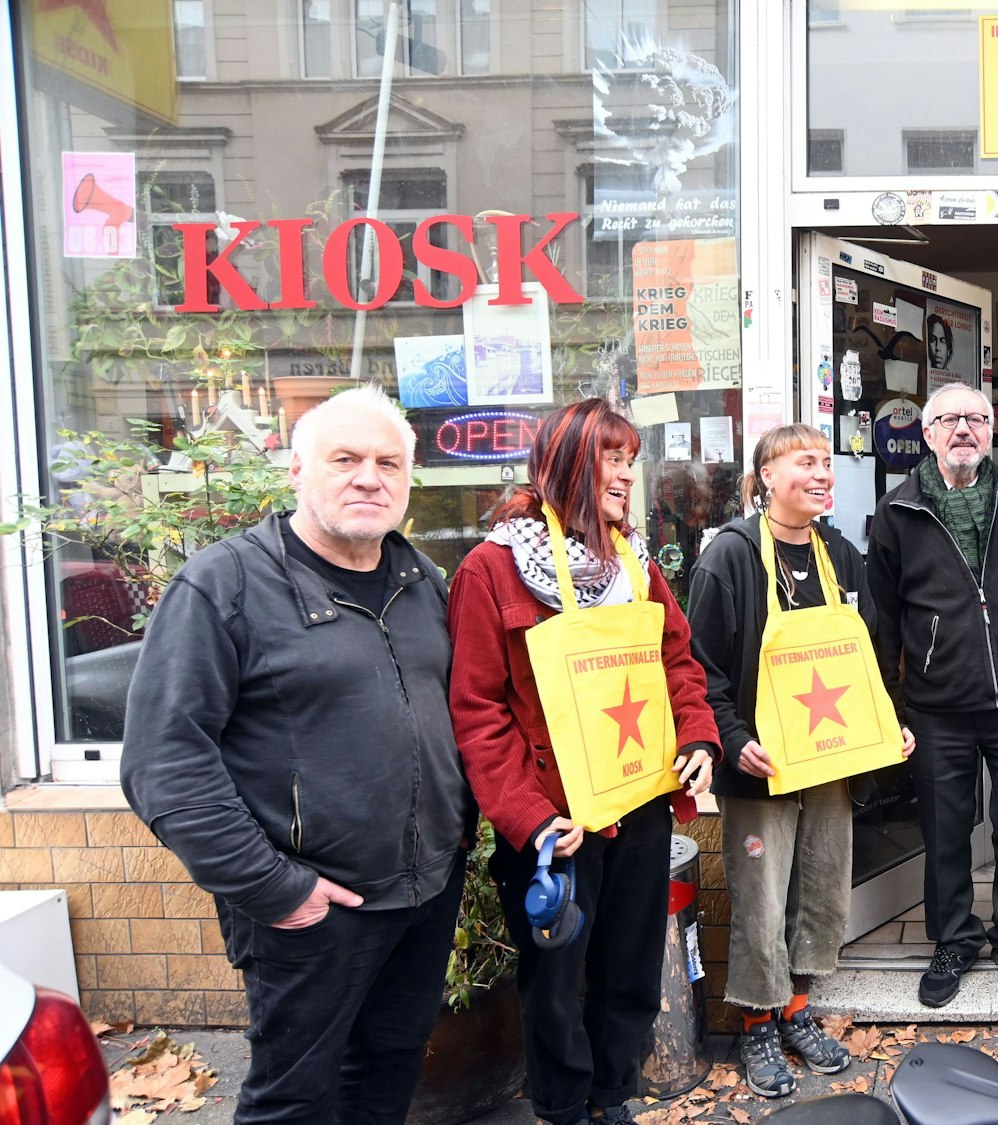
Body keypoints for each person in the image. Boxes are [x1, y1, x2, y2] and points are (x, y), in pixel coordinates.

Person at [121, 386, 475, 1125]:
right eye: (344, 459)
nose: (369, 477)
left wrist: (456, 845)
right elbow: (165, 761)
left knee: (386, 1075)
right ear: (296, 469)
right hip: (313, 911)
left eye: (388, 462)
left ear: (409, 479)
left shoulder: (422, 583)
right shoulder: (224, 585)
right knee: (295, 1101)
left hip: (422, 896)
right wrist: (277, 889)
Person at [448, 398, 720, 1125]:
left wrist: (696, 738)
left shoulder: (631, 560)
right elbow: (478, 711)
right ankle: (564, 1109)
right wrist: (530, 819)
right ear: (566, 461)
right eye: (612, 458)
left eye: (632, 460)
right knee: (554, 980)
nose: (628, 475)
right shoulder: (490, 571)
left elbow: (677, 658)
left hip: (639, 801)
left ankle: (611, 1098)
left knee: (629, 971)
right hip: (555, 824)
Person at [685, 424, 915, 1099]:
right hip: (762, 763)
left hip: (829, 759)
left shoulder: (838, 551)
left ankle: (796, 1006)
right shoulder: (726, 556)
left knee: (820, 881)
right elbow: (699, 666)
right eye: (804, 462)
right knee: (760, 894)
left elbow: (867, 651)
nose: (821, 474)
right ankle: (757, 1019)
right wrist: (731, 737)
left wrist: (887, 722)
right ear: (764, 473)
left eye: (826, 463)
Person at [868, 382, 998, 1008]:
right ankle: (954, 939)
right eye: (949, 419)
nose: (964, 429)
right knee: (946, 831)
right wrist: (889, 705)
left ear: (991, 432)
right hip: (936, 706)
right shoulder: (898, 509)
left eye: (977, 419)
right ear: (926, 434)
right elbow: (882, 616)